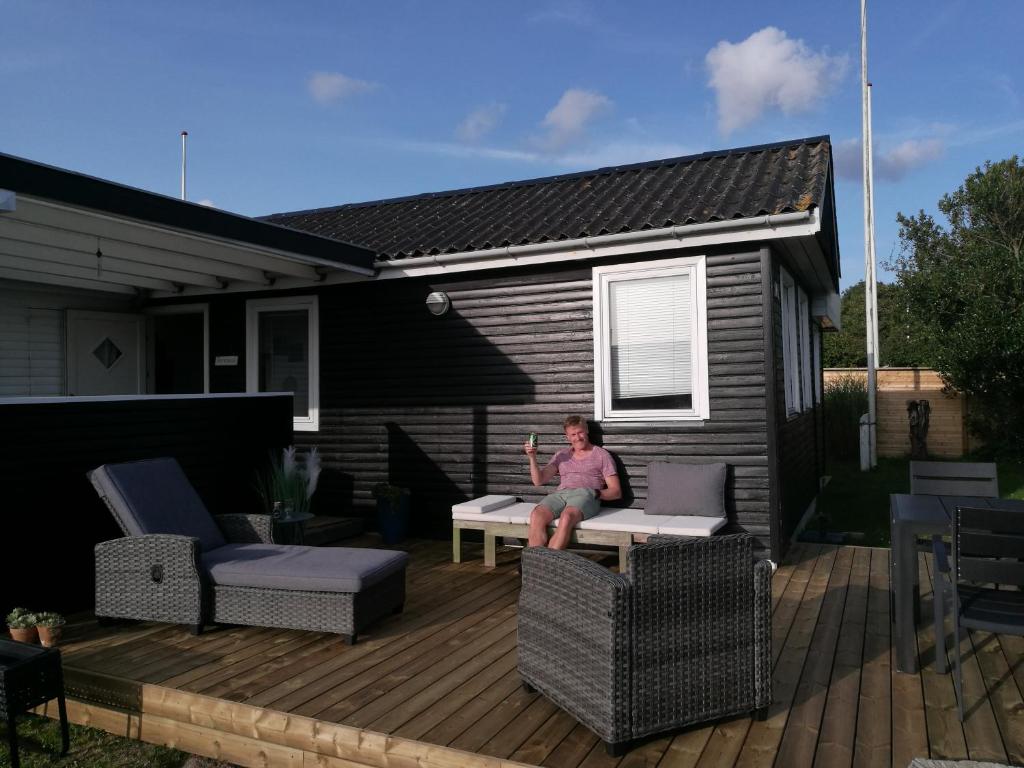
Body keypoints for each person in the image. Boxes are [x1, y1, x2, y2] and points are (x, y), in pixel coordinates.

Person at [523, 415, 621, 550]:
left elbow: (616, 491)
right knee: (537, 515)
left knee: (567, 517)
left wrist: (594, 493)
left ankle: (549, 562)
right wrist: (532, 457)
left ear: (586, 430)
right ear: (567, 437)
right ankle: (534, 560)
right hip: (561, 494)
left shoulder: (601, 455)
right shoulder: (561, 455)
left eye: (580, 432)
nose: (578, 437)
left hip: (585, 494)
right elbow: (538, 480)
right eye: (573, 434)